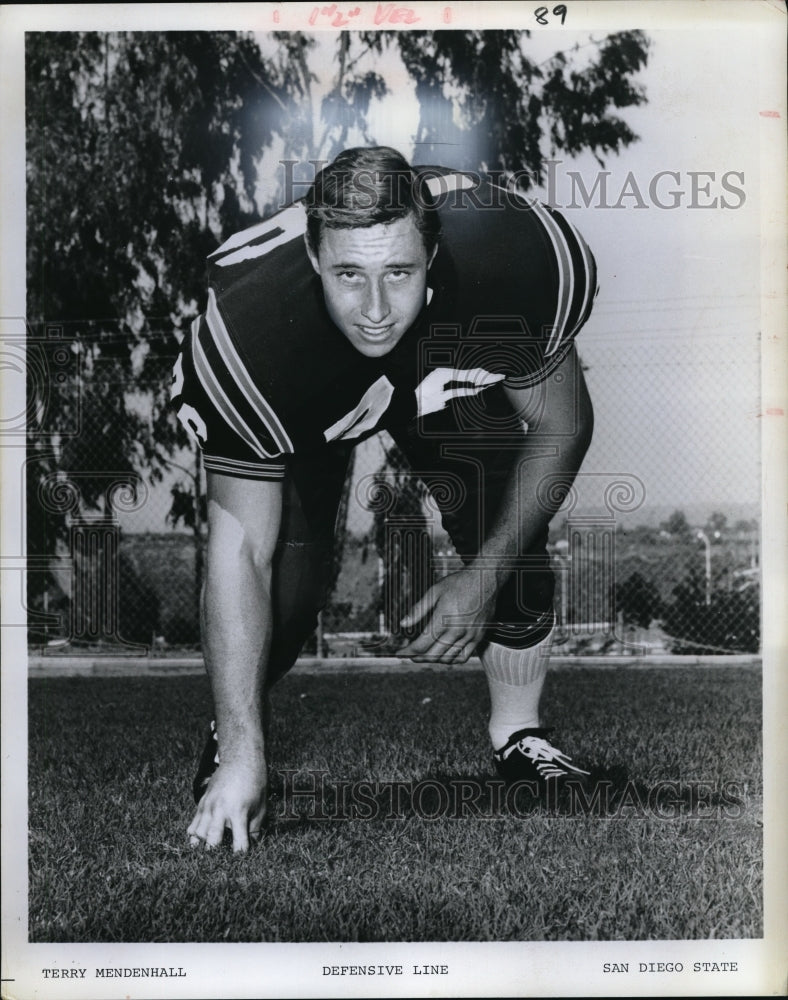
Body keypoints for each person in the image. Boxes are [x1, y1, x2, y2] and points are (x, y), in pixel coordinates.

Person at [170, 146, 597, 852]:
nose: (373, 310)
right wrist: (248, 752)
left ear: (433, 251)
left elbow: (562, 423)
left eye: (398, 271)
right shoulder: (250, 336)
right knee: (287, 593)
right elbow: (240, 547)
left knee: (504, 506)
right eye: (348, 274)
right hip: (311, 385)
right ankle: (233, 739)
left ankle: (520, 734)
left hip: (440, 352)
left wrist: (483, 578)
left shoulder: (511, 258)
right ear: (312, 257)